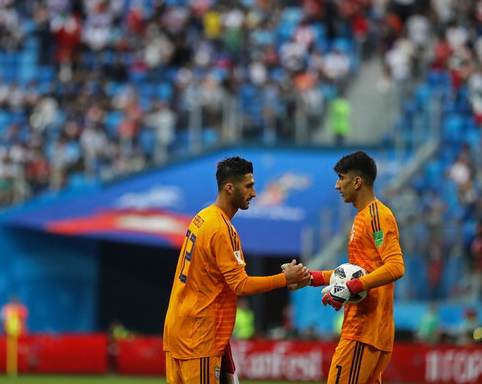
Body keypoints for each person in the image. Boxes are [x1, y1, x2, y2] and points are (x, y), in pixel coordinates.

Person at [163, 156, 310, 384]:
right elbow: (240, 285)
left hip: (179, 331)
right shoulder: (222, 229)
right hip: (199, 337)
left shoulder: (201, 218)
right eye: (249, 186)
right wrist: (284, 278)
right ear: (230, 188)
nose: (254, 193)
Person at [290, 151, 405, 384]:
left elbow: (395, 267)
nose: (336, 185)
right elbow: (355, 271)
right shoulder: (363, 217)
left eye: (341, 178)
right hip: (371, 332)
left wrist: (352, 287)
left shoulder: (377, 216)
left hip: (364, 330)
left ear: (357, 181)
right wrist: (311, 277)